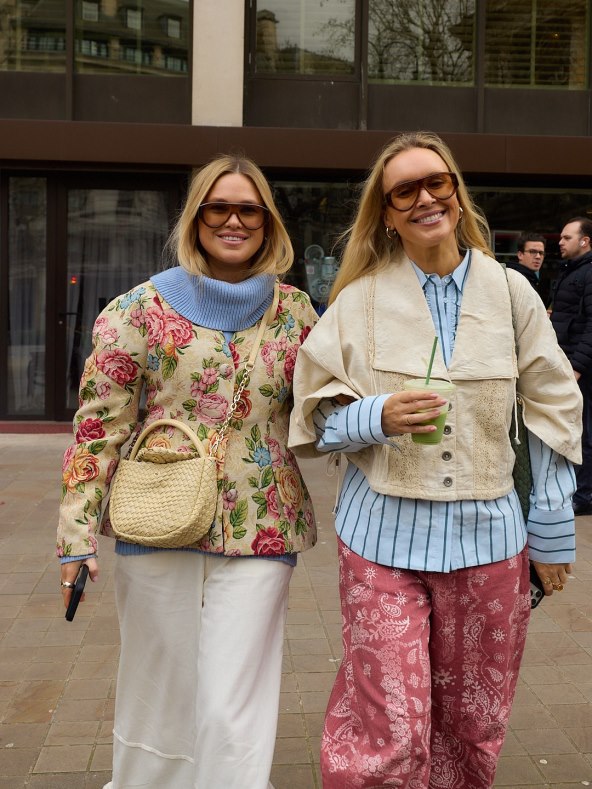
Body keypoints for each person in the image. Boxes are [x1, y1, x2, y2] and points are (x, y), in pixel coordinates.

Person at [288, 131, 582, 788]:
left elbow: (553, 406)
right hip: (381, 543)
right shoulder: (358, 301)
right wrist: (376, 415)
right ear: (387, 211)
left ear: (455, 190)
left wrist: (553, 530)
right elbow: (308, 413)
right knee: (389, 725)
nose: (425, 197)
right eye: (405, 190)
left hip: (491, 544)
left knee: (473, 724)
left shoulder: (511, 293)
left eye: (436, 182)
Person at [57, 154, 319, 789]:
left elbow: (326, 410)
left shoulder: (297, 315)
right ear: (195, 218)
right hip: (158, 518)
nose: (233, 220)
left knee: (234, 704)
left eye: (248, 209)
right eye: (218, 207)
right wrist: (76, 538)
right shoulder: (138, 310)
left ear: (267, 221)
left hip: (262, 526)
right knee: (159, 691)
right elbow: (100, 428)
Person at [550, 216, 592, 516]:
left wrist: (577, 367)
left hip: (582, 369)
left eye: (567, 237)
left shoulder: (589, 272)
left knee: (586, 433)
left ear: (584, 241)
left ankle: (585, 496)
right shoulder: (570, 271)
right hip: (568, 364)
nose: (560, 242)